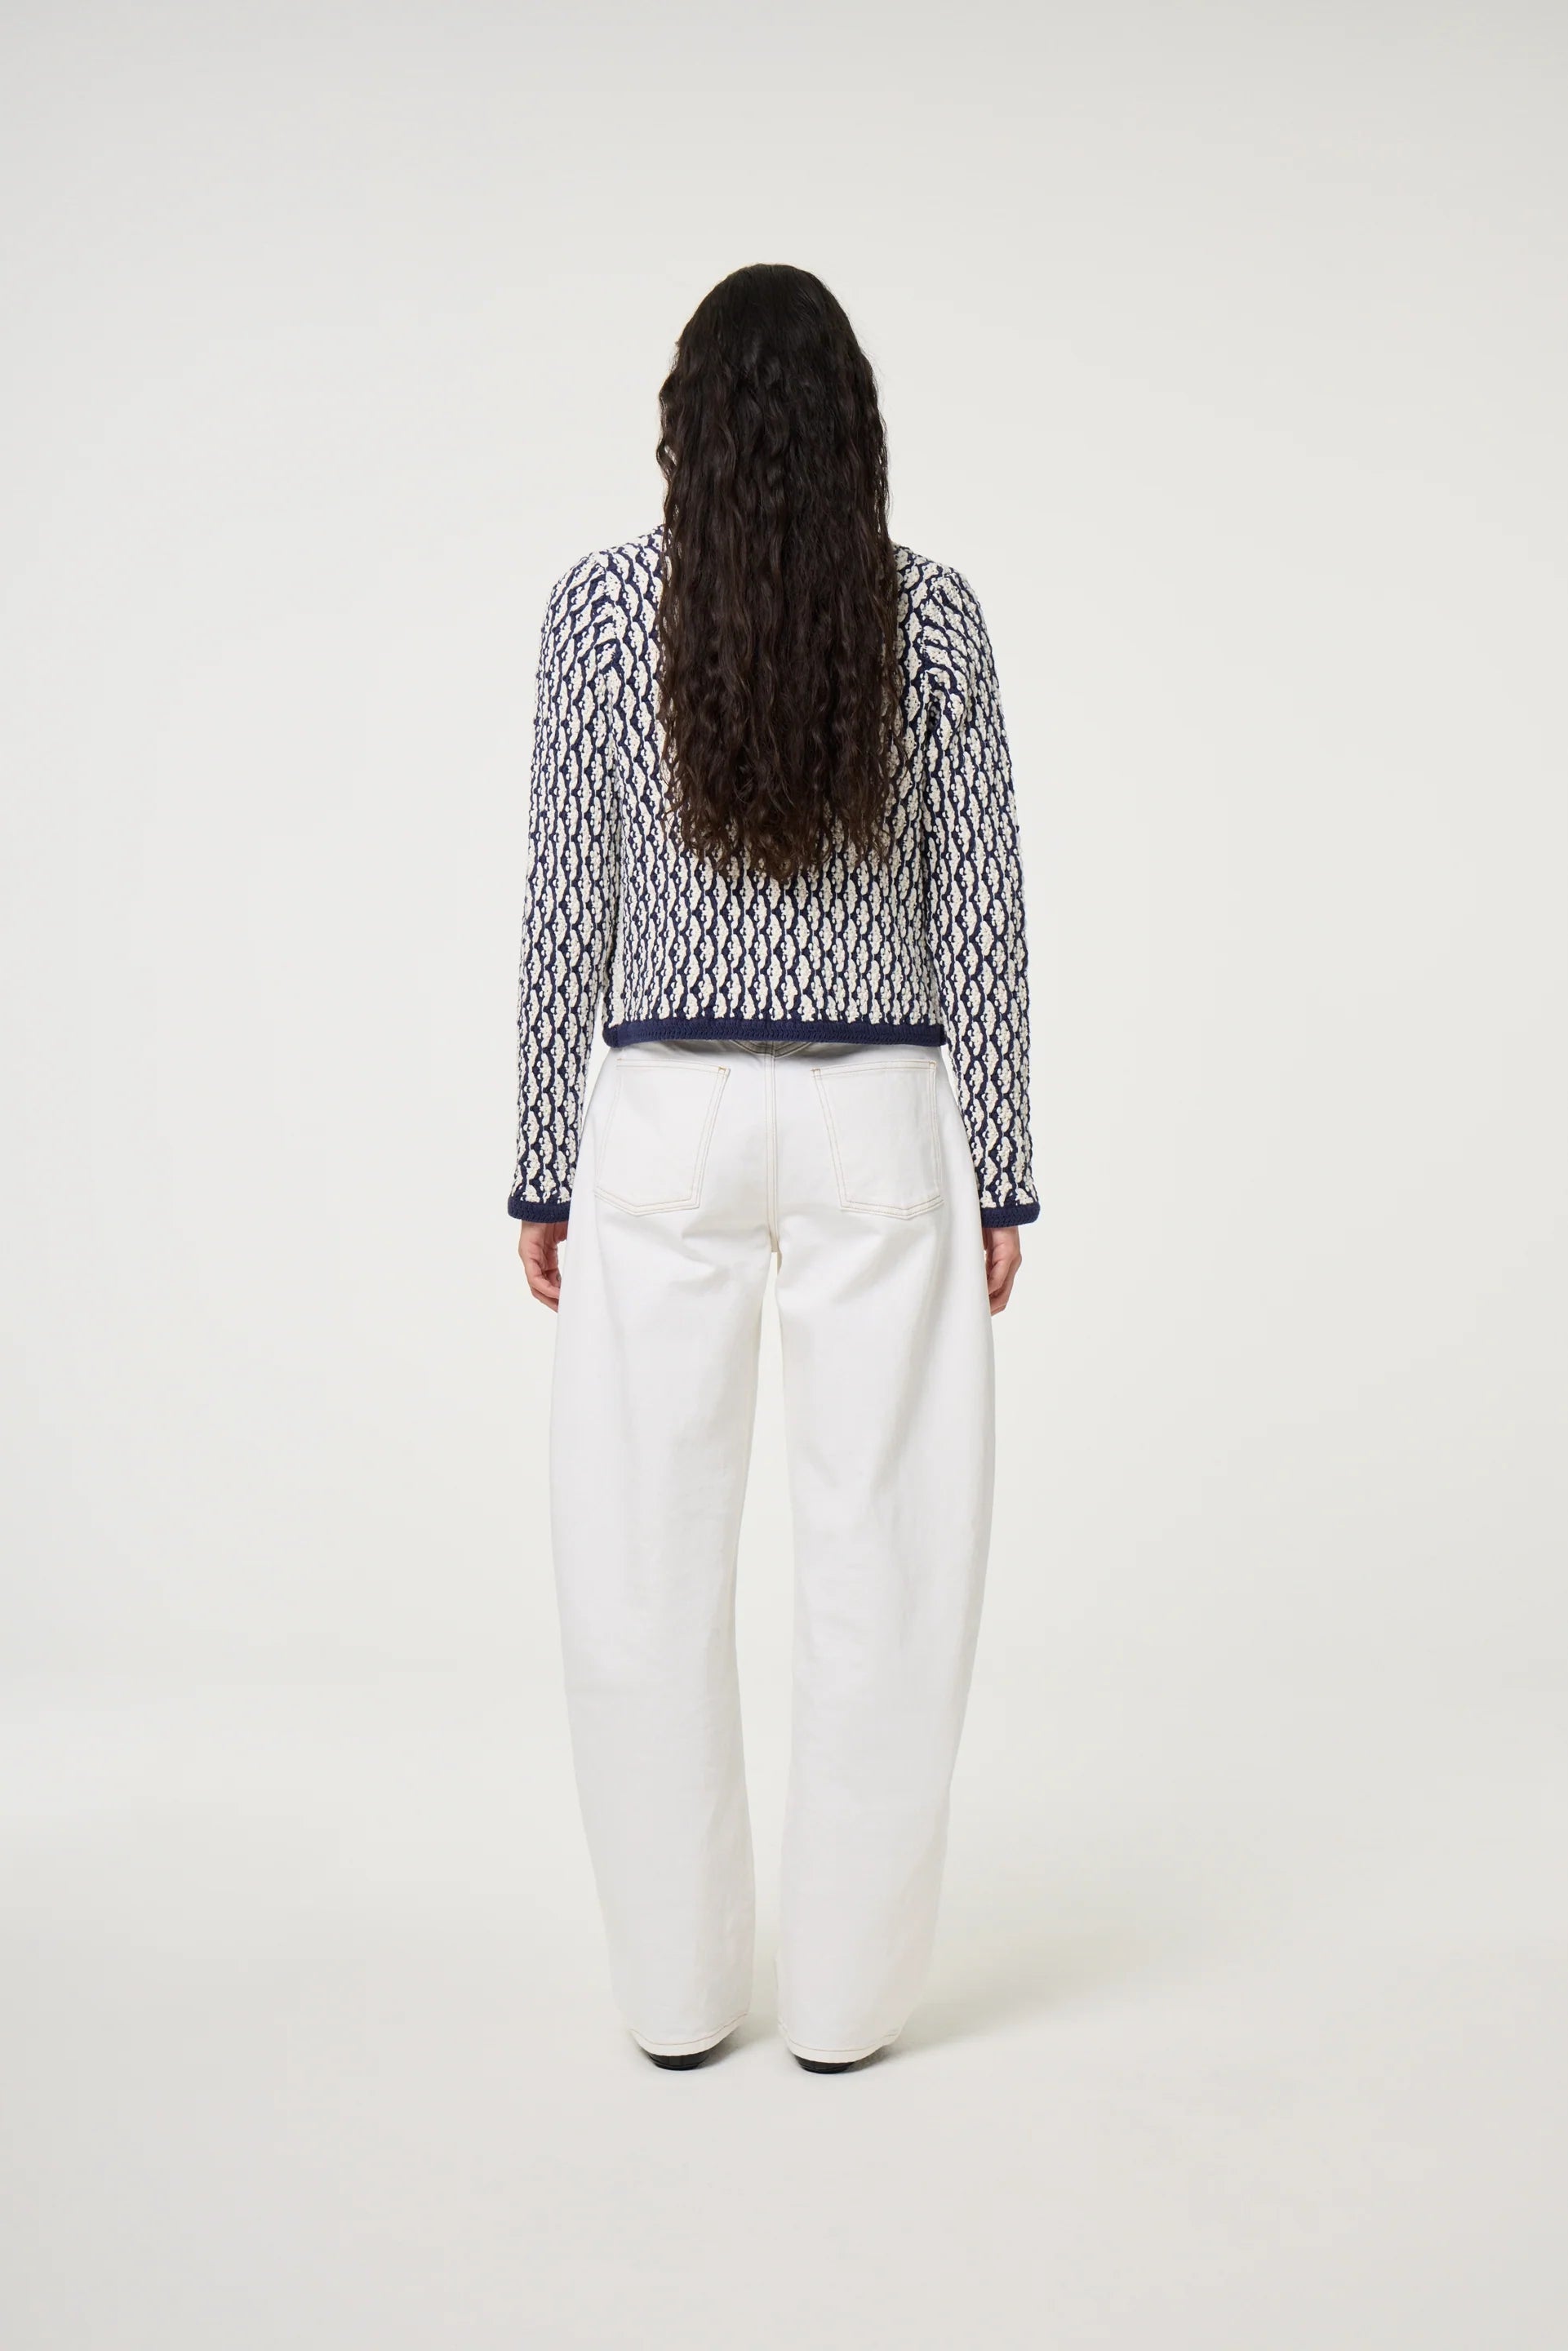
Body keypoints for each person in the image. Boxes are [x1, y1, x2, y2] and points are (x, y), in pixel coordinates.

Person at [509, 263, 1037, 2075]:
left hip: (658, 1121)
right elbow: (983, 914)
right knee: (885, 1558)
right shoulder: (935, 620)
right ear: (852, 432)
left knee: (637, 1565)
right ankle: (843, 2009)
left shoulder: (594, 619)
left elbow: (561, 901)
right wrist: (1012, 1174)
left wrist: (535, 1169)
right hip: (883, 1118)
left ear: (684, 429)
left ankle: (673, 2001)